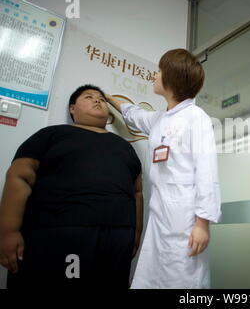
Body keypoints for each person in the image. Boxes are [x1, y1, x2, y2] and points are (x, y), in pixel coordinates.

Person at [0, 84, 143, 288]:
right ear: (72, 109)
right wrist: (8, 231)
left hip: (118, 240)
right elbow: (19, 176)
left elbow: (137, 192)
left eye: (102, 99)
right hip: (59, 234)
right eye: (89, 96)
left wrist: (135, 235)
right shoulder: (51, 135)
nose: (97, 100)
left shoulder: (125, 147)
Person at [106, 49, 221, 289]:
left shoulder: (195, 117)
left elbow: (206, 172)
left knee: (182, 279)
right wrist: (107, 98)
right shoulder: (160, 119)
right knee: (152, 277)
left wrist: (202, 224)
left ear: (172, 77)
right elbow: (133, 114)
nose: (154, 76)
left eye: (159, 71)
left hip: (186, 219)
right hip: (160, 215)